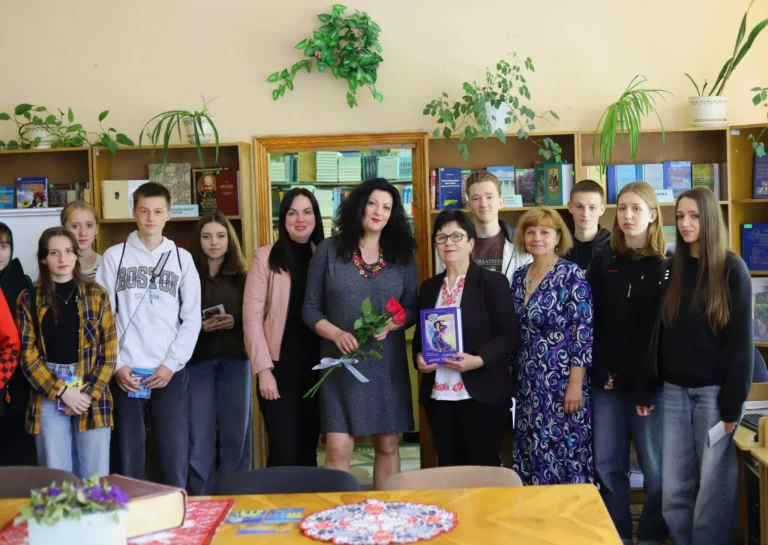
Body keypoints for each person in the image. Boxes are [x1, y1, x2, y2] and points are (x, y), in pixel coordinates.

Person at [640, 187, 753, 545]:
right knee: (674, 488)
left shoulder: (732, 269)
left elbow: (740, 345)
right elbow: (659, 334)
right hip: (674, 392)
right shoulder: (669, 268)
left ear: (710, 219)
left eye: (694, 216)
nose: (685, 224)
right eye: (680, 216)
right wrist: (648, 385)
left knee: (712, 491)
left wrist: (732, 405)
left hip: (715, 397)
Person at [303, 178, 418, 490]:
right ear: (359, 206)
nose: (378, 212)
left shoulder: (402, 256)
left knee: (388, 444)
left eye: (387, 207)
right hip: (340, 363)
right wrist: (336, 333)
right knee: (338, 447)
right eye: (372, 203)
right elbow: (310, 309)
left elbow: (411, 307)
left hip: (386, 364)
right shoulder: (329, 250)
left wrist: (392, 324)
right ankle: (338, 515)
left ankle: (385, 512)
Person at [96, 182, 202, 488]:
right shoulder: (114, 256)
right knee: (129, 458)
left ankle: (175, 509)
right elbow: (104, 317)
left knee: (173, 454)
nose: (151, 218)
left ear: (169, 215)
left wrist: (171, 364)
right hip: (127, 372)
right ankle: (130, 513)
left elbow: (191, 318)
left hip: (169, 371)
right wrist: (117, 365)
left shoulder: (182, 258)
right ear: (134, 213)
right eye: (144, 211)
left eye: (157, 211)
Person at [586, 181, 669, 545]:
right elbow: (590, 321)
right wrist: (601, 370)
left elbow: (661, 334)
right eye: (622, 208)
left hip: (646, 388)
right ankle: (617, 536)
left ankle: (650, 537)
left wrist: (642, 383)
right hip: (606, 386)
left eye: (637, 208)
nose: (628, 215)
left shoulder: (667, 266)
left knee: (656, 473)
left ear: (653, 215)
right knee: (608, 467)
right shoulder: (604, 260)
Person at [413, 210, 518, 467]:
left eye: (456, 236)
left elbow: (509, 335)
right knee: (448, 468)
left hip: (482, 393)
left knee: (482, 468)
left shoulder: (492, 282)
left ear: (471, 243)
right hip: (439, 396)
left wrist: (478, 360)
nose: (448, 243)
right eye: (441, 237)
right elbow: (420, 335)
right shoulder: (429, 287)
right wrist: (419, 356)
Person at [16, 227, 117, 478]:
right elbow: (27, 355)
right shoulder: (28, 298)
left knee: (94, 478)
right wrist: (62, 391)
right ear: (43, 258)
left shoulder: (97, 294)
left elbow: (109, 351)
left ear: (76, 255)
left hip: (91, 390)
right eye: (54, 253)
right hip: (48, 389)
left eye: (69, 251)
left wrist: (87, 394)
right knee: (56, 478)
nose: (63, 259)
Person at [510, 206, 594, 485]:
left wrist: (575, 384)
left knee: (564, 453)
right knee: (532, 451)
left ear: (558, 237)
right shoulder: (519, 276)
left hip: (561, 382)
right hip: (527, 383)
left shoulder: (571, 275)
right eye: (530, 231)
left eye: (545, 232)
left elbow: (582, 332)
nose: (537, 237)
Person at [243, 188, 324, 467]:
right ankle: (278, 499)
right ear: (283, 218)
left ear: (316, 217)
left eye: (307, 212)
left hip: (319, 370)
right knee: (283, 453)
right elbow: (251, 317)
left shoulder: (325, 257)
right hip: (278, 370)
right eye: (292, 212)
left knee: (308, 453)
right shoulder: (265, 257)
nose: (300, 219)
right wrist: (263, 371)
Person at [187, 211, 251, 494]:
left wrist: (234, 321)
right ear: (198, 240)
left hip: (235, 361)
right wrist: (198, 326)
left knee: (236, 434)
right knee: (198, 435)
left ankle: (236, 496)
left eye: (221, 236)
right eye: (207, 236)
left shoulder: (243, 277)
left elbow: (257, 319)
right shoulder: (187, 275)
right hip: (197, 363)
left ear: (230, 240)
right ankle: (201, 500)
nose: (214, 242)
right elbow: (173, 318)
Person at [435, 171, 531, 282]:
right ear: (469, 205)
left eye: (489, 197)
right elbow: (444, 286)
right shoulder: (451, 245)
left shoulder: (523, 245)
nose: (483, 204)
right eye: (476, 198)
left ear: (501, 202)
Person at [0, 222, 34, 466]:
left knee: (16, 451)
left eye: (4, 247)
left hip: (20, 376)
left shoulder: (22, 282)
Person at [564, 179, 610, 270]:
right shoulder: (558, 245)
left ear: (602, 210)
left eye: (592, 207)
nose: (585, 214)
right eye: (579, 206)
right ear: (570, 207)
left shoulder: (615, 245)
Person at [61, 201, 102, 280]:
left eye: (89, 225)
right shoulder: (56, 266)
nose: (83, 233)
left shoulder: (107, 264)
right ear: (63, 229)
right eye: (75, 226)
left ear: (96, 229)